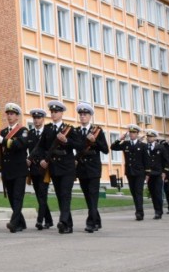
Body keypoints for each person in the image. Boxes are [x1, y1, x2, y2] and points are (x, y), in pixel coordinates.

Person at [33, 100, 83, 234]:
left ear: (61, 113)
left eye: (56, 112)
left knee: (65, 194)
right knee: (60, 195)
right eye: (52, 112)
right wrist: (42, 159)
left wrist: (67, 140)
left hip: (67, 166)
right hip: (54, 167)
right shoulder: (48, 129)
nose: (54, 114)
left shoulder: (69, 129)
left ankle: (63, 221)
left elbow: (79, 145)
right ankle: (68, 225)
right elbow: (40, 146)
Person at [74, 102, 109, 233]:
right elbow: (76, 148)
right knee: (88, 196)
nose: (82, 116)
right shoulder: (76, 131)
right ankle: (97, 220)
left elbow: (105, 149)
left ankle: (91, 222)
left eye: (85, 114)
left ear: (90, 116)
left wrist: (95, 141)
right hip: (82, 168)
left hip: (93, 168)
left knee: (93, 195)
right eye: (81, 114)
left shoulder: (97, 131)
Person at [0, 102, 30, 232]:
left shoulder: (23, 131)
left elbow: (19, 145)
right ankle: (21, 222)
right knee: (12, 198)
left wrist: (3, 141)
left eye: (12, 114)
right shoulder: (3, 132)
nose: (9, 116)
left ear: (17, 116)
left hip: (19, 170)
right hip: (7, 170)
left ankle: (14, 223)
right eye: (8, 114)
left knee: (17, 197)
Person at [112, 125, 150, 221]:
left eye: (134, 132)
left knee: (138, 192)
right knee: (133, 192)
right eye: (130, 132)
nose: (132, 134)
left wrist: (147, 173)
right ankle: (138, 210)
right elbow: (113, 147)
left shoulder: (143, 145)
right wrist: (119, 139)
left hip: (140, 172)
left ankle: (139, 212)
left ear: (137, 134)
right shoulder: (126, 144)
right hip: (129, 172)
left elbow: (146, 160)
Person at [27, 108, 53, 231]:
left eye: (39, 118)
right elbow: (26, 148)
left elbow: (50, 149)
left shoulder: (48, 132)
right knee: (39, 195)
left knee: (43, 194)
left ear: (43, 119)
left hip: (44, 169)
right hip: (33, 168)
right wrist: (27, 159)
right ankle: (49, 220)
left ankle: (39, 220)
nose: (36, 120)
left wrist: (47, 160)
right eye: (35, 118)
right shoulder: (30, 133)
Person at [145, 129, 169, 219]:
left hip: (158, 173)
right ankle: (156, 210)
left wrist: (164, 172)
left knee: (158, 193)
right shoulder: (145, 147)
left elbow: (167, 161)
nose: (149, 138)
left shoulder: (161, 147)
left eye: (151, 137)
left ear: (155, 138)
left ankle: (159, 211)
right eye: (148, 137)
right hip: (149, 174)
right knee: (153, 193)